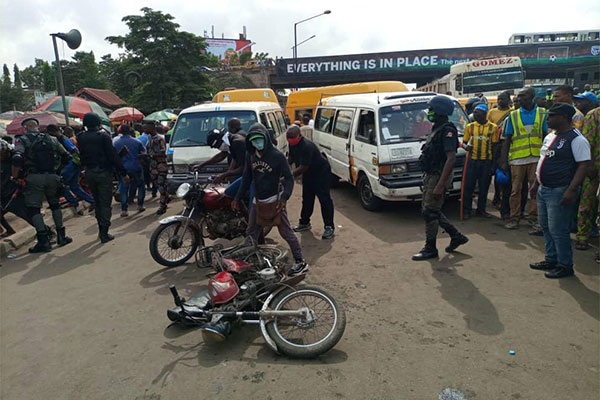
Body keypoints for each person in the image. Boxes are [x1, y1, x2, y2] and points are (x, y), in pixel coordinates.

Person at [231, 123, 307, 275]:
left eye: (260, 139)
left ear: (265, 138)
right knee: (251, 231)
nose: (257, 143)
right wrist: (237, 198)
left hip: (275, 200)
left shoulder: (277, 156)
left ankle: (300, 261)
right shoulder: (250, 155)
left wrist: (284, 198)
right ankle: (248, 262)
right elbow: (246, 177)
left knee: (286, 232)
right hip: (257, 201)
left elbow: (289, 178)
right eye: (254, 140)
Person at [529, 103, 591, 278]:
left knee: (559, 229)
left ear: (563, 117)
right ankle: (551, 259)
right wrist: (535, 183)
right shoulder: (550, 136)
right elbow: (542, 160)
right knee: (546, 227)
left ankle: (565, 265)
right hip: (544, 188)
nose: (548, 119)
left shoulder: (576, 139)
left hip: (560, 189)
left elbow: (583, 165)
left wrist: (571, 190)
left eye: (551, 116)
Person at [412, 95, 468, 260]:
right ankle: (456, 236)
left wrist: (440, 185)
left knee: (430, 212)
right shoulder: (437, 127)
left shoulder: (447, 130)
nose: (429, 112)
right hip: (431, 175)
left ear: (440, 111)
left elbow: (451, 158)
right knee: (430, 210)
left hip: (439, 176)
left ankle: (430, 248)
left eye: (431, 110)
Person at [12, 117, 73, 252]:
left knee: (34, 209)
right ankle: (62, 236)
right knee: (55, 205)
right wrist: (57, 171)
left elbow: (17, 157)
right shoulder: (51, 139)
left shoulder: (22, 140)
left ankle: (44, 241)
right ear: (38, 127)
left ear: (25, 128)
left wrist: (16, 177)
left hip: (33, 177)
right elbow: (67, 156)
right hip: (52, 176)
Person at [501, 87, 548, 230]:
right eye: (519, 97)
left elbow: (546, 136)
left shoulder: (542, 113)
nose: (520, 99)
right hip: (517, 159)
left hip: (536, 157)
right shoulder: (513, 115)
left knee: (535, 190)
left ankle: (533, 217)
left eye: (523, 96)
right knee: (516, 190)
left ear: (532, 97)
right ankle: (515, 217)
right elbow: (507, 140)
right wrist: (503, 160)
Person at [78, 113, 129, 243]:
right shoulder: (103, 137)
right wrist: (123, 173)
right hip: (103, 173)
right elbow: (113, 156)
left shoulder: (81, 137)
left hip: (89, 173)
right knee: (105, 203)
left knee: (97, 202)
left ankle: (101, 228)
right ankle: (104, 232)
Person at [287, 125, 335, 239]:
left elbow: (303, 167)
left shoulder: (306, 146)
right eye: (288, 138)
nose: (290, 140)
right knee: (307, 199)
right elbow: (291, 158)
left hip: (321, 173)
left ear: (299, 135)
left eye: (292, 138)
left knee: (324, 200)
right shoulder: (292, 144)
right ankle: (304, 223)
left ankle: (329, 227)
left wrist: (289, 175)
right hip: (309, 174)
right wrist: (285, 167)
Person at [46, 125, 95, 215]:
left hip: (71, 164)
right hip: (74, 164)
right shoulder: (62, 138)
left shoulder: (62, 138)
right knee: (74, 186)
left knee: (61, 184)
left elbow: (74, 150)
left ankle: (74, 202)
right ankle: (92, 201)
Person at [462, 104, 498, 219]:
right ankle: (467, 210)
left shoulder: (493, 128)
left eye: (477, 112)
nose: (475, 114)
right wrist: (466, 147)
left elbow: (495, 147)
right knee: (469, 187)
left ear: (484, 114)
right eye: (474, 112)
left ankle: (481, 210)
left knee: (484, 187)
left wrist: (493, 165)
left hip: (486, 162)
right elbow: (464, 142)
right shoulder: (470, 127)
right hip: (472, 161)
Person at [575, 105, 600, 250]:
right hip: (594, 167)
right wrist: (589, 165)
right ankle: (582, 236)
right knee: (587, 203)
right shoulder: (594, 115)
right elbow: (587, 142)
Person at [113, 125, 146, 217]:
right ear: (130, 131)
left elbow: (114, 155)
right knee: (140, 186)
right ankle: (140, 205)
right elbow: (143, 152)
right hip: (136, 167)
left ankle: (124, 210)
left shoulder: (116, 142)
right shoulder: (137, 141)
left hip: (123, 168)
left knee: (124, 189)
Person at [488, 91, 513, 216]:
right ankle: (497, 196)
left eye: (502, 99)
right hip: (496, 146)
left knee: (506, 174)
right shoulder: (492, 112)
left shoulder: (512, 112)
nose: (500, 102)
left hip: (507, 144)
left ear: (509, 100)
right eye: (498, 99)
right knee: (497, 173)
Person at [145, 122, 169, 214]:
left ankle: (162, 206)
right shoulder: (149, 138)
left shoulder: (160, 139)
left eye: (147, 128)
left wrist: (151, 155)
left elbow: (163, 152)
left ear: (152, 128)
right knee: (158, 185)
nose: (145, 130)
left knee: (161, 186)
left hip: (160, 166)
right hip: (153, 166)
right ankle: (166, 197)